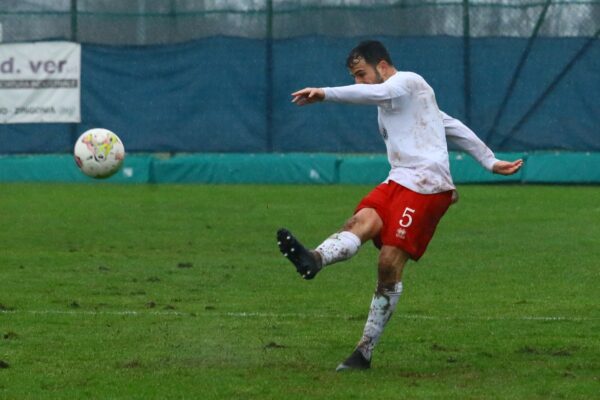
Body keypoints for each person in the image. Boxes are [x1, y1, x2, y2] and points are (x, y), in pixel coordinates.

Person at [276, 40, 523, 371]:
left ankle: (364, 350)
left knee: (388, 263)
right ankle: (314, 259)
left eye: (361, 74)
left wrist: (325, 93)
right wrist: (490, 161)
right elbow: (450, 125)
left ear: (382, 66)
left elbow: (376, 95)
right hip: (398, 181)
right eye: (354, 77)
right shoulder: (396, 102)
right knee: (360, 221)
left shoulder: (408, 81)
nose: (359, 84)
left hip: (427, 187)